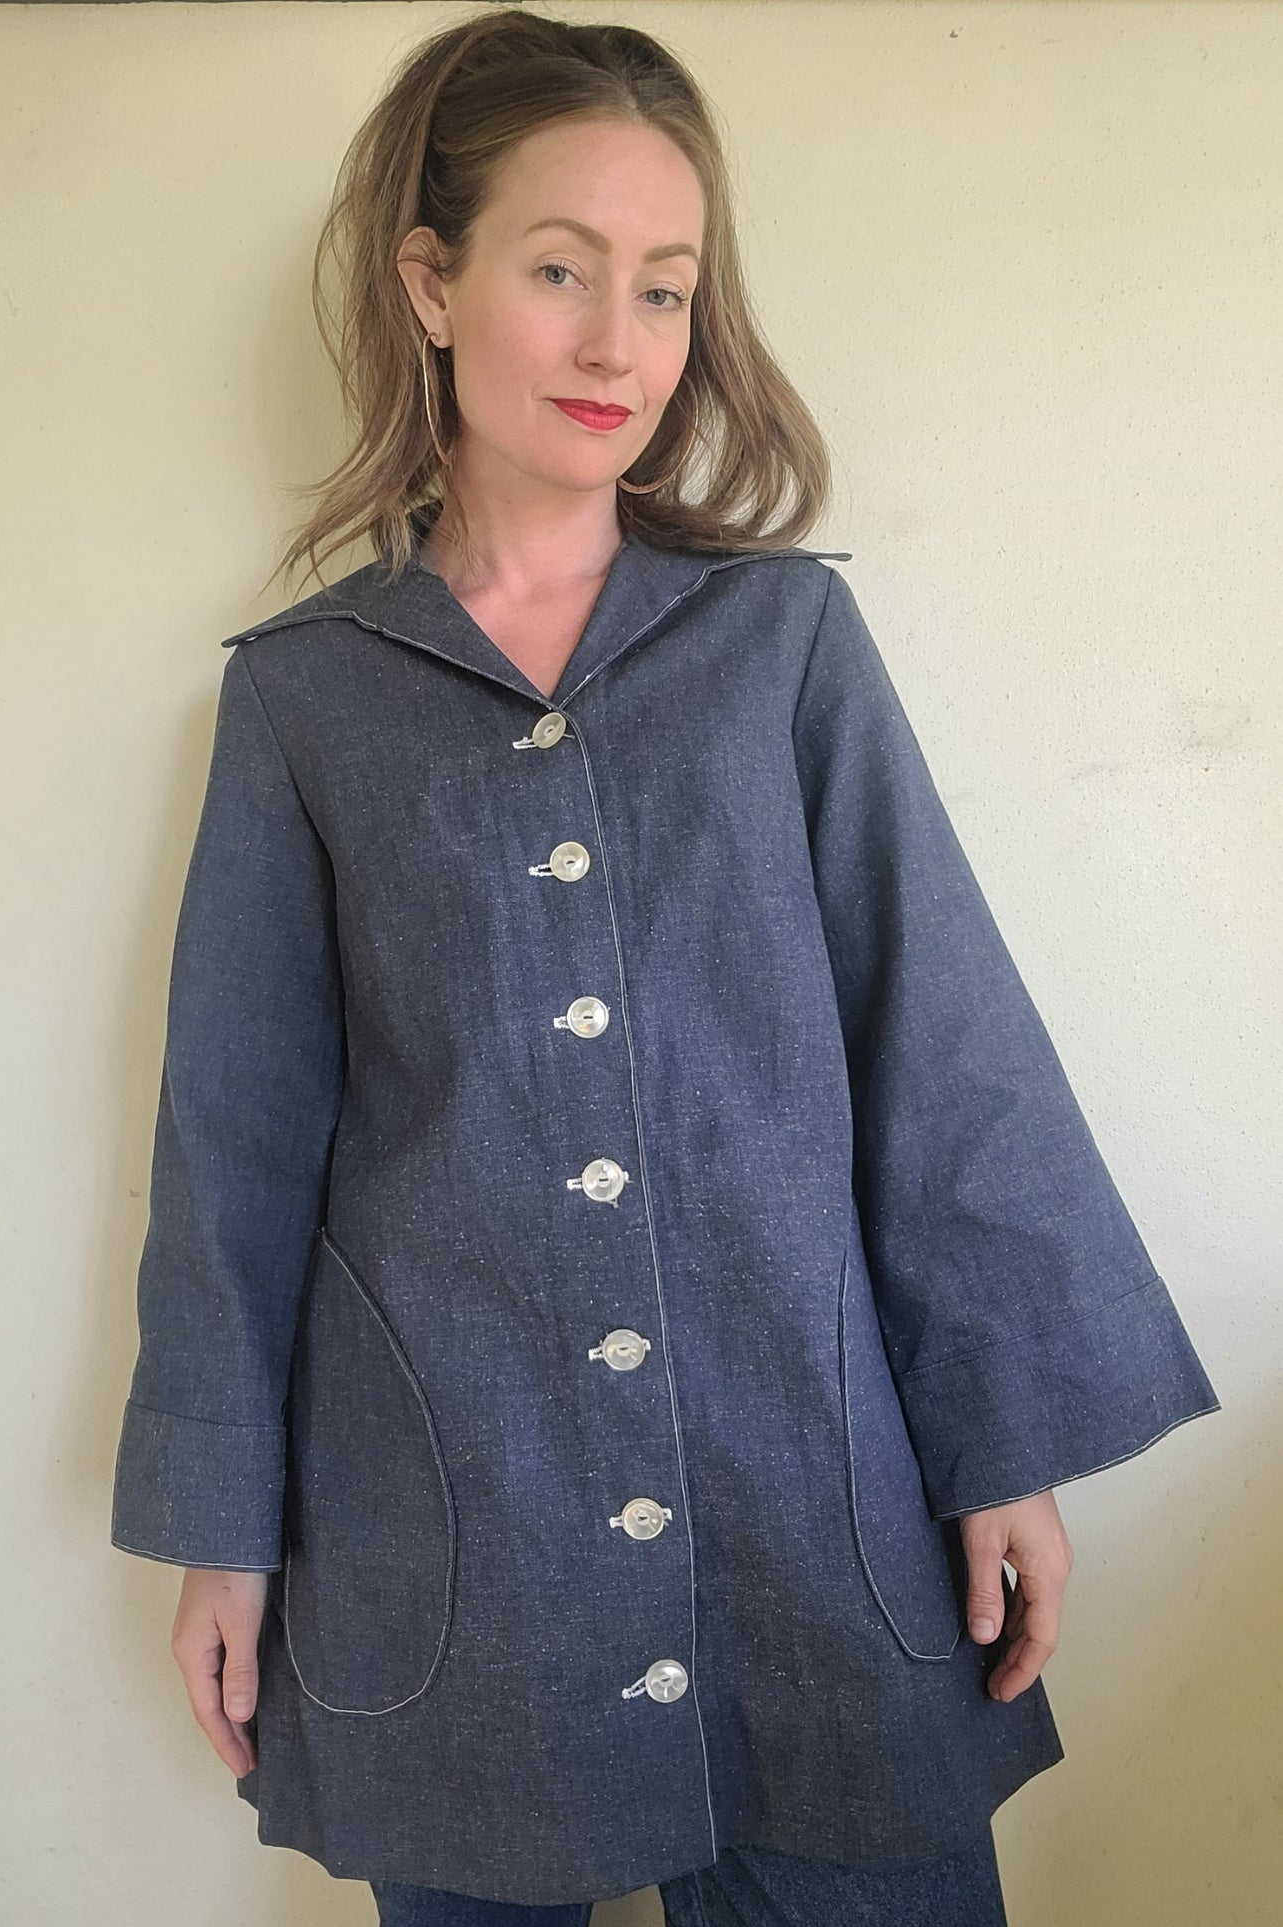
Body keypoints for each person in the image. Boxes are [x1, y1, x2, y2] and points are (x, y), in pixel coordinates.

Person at [109, 12, 1222, 1926]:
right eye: (560, 270)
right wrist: (226, 1530)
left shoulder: (779, 648)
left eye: (664, 287)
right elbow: (238, 1142)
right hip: (449, 1520)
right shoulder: (305, 703)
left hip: (813, 1493)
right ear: (431, 282)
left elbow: (936, 1048)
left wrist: (999, 1453)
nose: (617, 343)